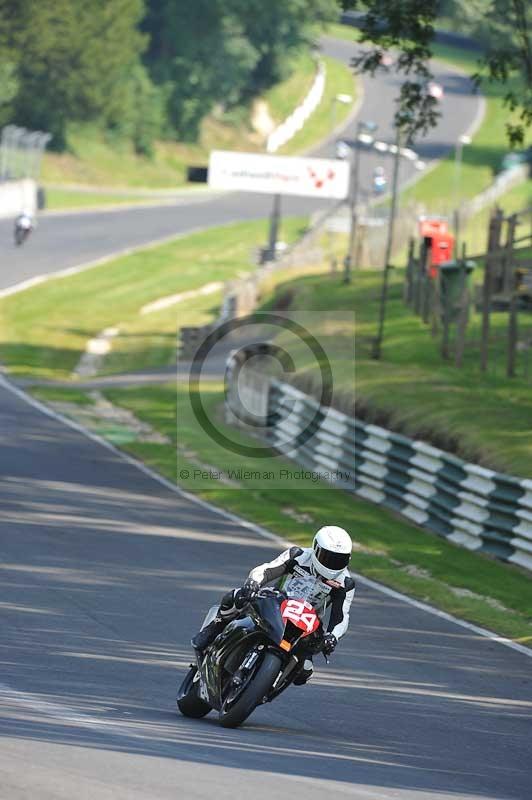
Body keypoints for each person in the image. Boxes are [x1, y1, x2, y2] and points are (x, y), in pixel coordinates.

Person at [192, 525, 355, 685]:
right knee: (238, 596)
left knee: (305, 672)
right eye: (327, 557)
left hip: (307, 623)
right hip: (277, 602)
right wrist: (253, 583)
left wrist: (332, 636)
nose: (332, 564)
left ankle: (268, 686)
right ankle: (215, 627)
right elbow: (267, 569)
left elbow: (341, 617)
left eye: (338, 560)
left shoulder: (345, 583)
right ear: (315, 548)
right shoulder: (297, 555)